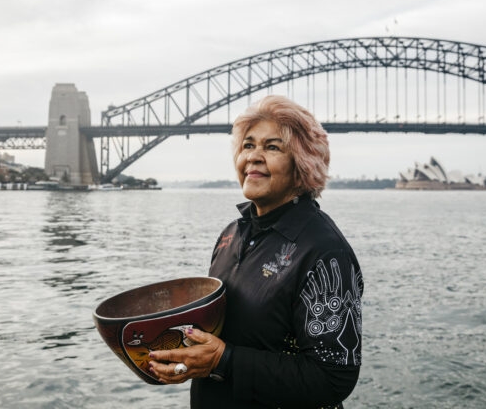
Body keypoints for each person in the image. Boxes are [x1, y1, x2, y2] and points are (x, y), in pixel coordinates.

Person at [149, 95, 363, 409]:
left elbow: (334, 377)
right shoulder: (232, 235)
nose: (254, 157)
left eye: (272, 147)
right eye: (248, 145)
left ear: (302, 164)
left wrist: (224, 361)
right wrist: (184, 358)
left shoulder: (325, 252)